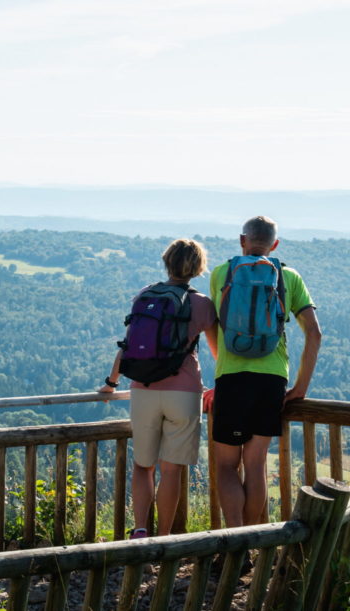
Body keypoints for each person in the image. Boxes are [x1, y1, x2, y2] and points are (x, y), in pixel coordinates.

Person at [99, 238, 218, 538]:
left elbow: (128, 345)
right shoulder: (202, 304)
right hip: (185, 392)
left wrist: (111, 384)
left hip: (143, 388)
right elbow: (218, 352)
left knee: (143, 466)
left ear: (167, 262)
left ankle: (140, 530)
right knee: (172, 469)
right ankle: (163, 536)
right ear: (198, 268)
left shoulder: (144, 295)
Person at [209, 216, 321, 527]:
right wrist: (300, 387)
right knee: (255, 464)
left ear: (242, 240)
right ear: (274, 245)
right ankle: (250, 540)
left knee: (227, 466)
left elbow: (215, 325)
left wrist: (223, 366)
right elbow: (314, 333)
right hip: (272, 379)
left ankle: (234, 544)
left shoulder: (222, 273)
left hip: (231, 378)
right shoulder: (289, 277)